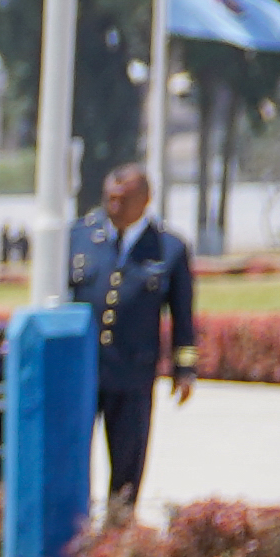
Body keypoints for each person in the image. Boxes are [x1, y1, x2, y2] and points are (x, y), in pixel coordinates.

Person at [63, 160, 200, 516]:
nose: (114, 207)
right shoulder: (79, 235)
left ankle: (118, 533)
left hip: (133, 372)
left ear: (146, 199)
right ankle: (71, 528)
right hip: (82, 371)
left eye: (123, 200)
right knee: (70, 454)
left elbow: (183, 316)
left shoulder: (168, 248)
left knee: (127, 460)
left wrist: (184, 369)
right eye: (110, 199)